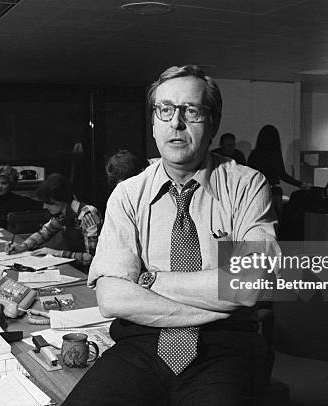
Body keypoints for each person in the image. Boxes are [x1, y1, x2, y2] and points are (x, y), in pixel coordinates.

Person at [64, 65, 278, 406]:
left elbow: (248, 285)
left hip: (224, 348)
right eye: (165, 110)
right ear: (153, 122)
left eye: (190, 111)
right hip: (141, 344)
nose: (176, 123)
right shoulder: (127, 194)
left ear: (213, 122)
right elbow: (112, 299)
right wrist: (218, 297)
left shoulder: (247, 185)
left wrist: (146, 281)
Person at [5, 173, 102, 269]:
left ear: (61, 199)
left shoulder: (87, 214)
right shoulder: (62, 213)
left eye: (48, 203)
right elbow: (44, 233)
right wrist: (23, 246)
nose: (44, 206)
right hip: (74, 267)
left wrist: (55, 253)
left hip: (89, 272)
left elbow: (91, 258)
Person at [247, 124, 310, 219]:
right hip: (274, 190)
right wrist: (300, 184)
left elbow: (249, 173)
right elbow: (282, 174)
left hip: (257, 190)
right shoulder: (274, 154)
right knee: (276, 220)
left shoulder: (254, 154)